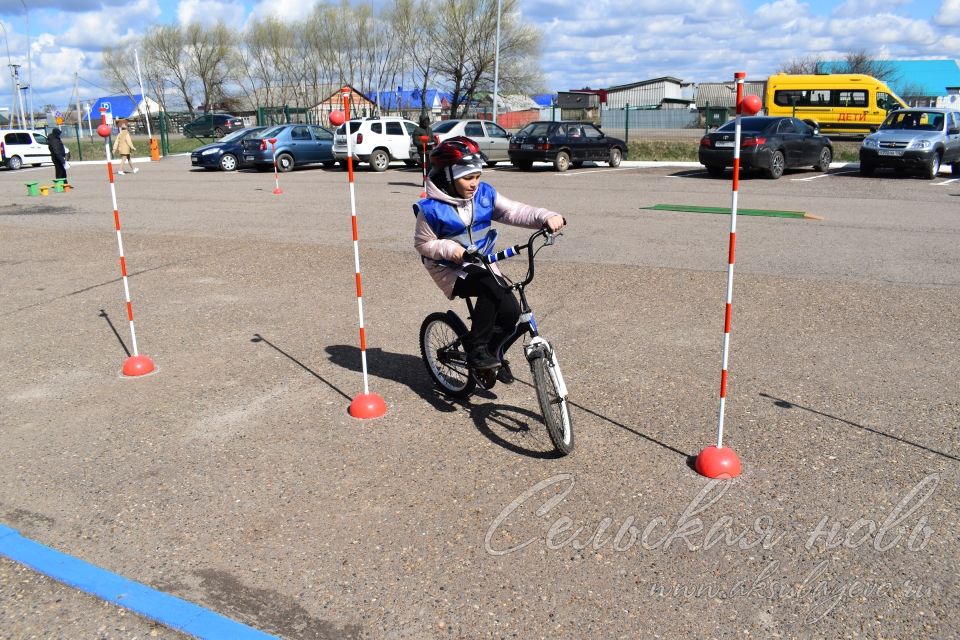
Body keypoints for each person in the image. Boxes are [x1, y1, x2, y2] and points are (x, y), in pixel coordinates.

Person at [413, 136, 565, 376]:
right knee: (489, 288)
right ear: (448, 177)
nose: (474, 184)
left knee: (511, 312)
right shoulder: (431, 209)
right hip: (449, 268)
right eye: (467, 178)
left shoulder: (484, 195)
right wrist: (454, 251)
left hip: (481, 262)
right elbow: (423, 244)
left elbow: (514, 211)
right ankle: (476, 350)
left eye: (477, 176)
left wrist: (545, 217)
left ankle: (492, 354)